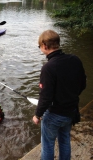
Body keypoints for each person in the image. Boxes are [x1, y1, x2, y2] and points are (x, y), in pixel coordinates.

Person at [32, 30, 86, 160]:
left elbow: (45, 97)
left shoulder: (48, 67)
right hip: (71, 111)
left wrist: (37, 114)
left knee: (48, 145)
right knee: (64, 140)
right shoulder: (75, 60)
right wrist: (70, 97)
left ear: (45, 45)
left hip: (54, 114)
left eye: (39, 46)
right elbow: (83, 84)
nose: (40, 48)